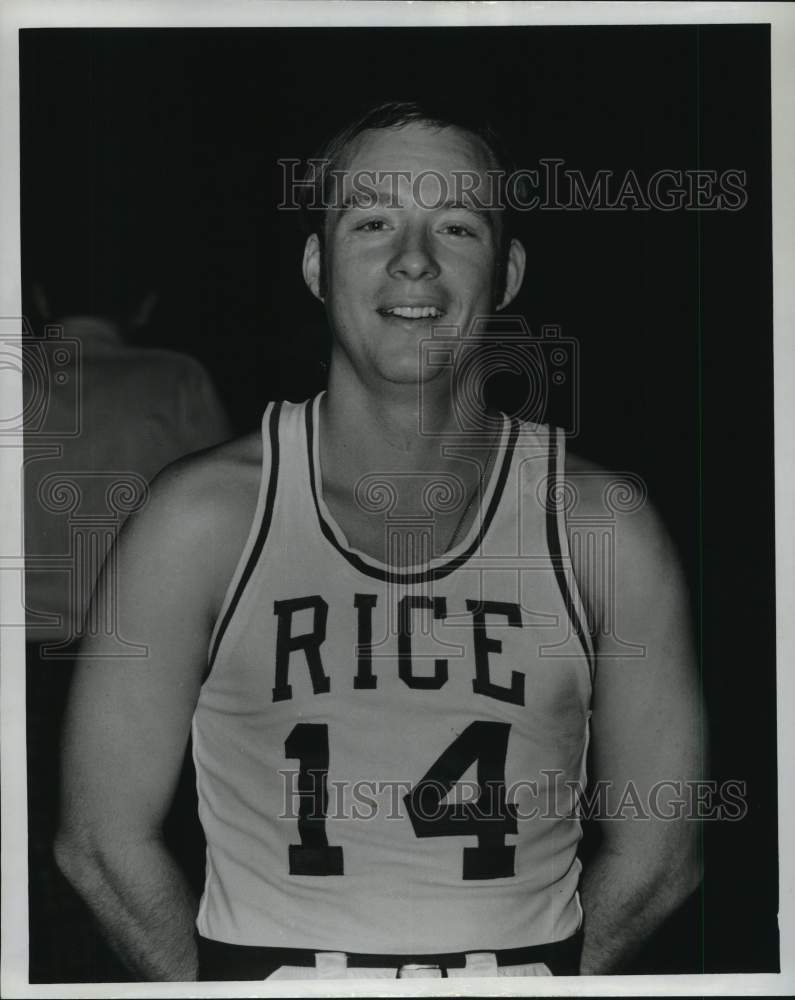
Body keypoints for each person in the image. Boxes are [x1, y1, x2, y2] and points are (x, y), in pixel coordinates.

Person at [54, 101, 702, 982]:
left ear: (506, 273)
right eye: (371, 221)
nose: (413, 259)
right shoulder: (200, 519)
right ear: (318, 265)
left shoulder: (601, 525)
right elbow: (98, 842)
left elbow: (662, 857)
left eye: (457, 226)